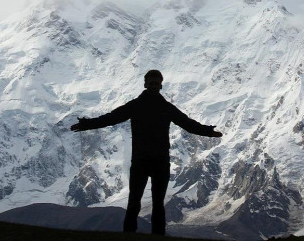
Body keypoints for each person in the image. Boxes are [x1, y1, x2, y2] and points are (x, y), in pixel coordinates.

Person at [70, 70, 222, 235]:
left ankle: (137, 234)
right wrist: (86, 124)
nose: (153, 85)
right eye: (151, 82)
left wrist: (207, 131)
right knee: (137, 200)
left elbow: (187, 123)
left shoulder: (153, 106)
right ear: (146, 84)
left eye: (155, 82)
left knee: (152, 202)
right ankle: (144, 235)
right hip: (147, 160)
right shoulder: (149, 106)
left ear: (160, 85)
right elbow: (111, 118)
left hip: (154, 160)